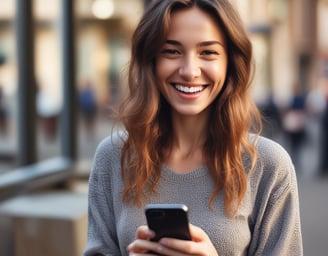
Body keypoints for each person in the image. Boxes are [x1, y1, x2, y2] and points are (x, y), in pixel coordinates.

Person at [84, 0, 303, 255]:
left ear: (230, 62)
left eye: (208, 52)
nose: (189, 71)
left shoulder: (269, 165)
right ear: (151, 61)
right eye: (172, 51)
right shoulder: (113, 156)